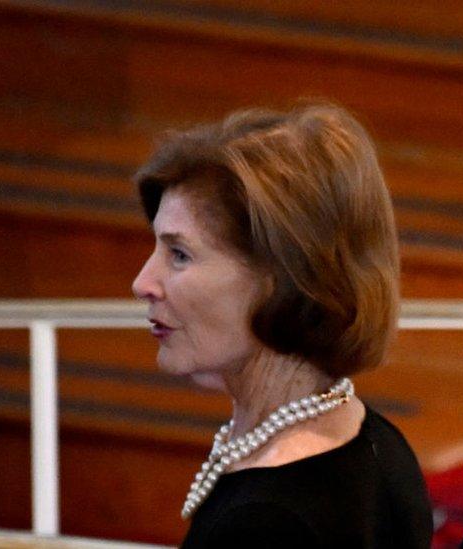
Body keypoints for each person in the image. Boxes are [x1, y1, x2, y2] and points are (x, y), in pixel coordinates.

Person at [131, 103, 433, 548]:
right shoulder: (378, 442)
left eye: (179, 255)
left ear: (280, 280)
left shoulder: (266, 523)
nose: (143, 283)